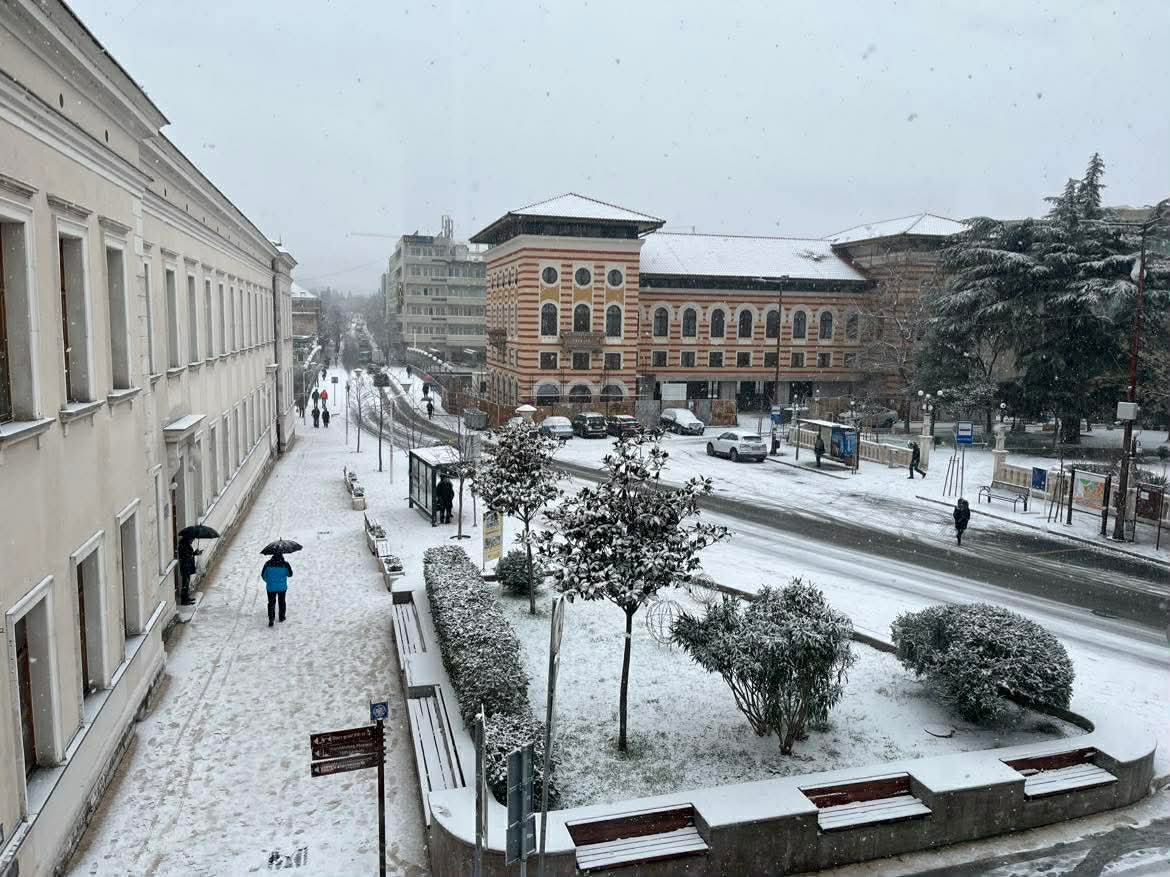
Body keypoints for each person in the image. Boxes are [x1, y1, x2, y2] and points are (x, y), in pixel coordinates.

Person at [261, 553, 293, 627]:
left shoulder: (268, 564)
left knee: (271, 603)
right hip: (282, 587)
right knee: (282, 602)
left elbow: (263, 575)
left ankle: (271, 619)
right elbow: (290, 574)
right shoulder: (285, 564)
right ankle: (281, 617)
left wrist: (268, 581)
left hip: (271, 587)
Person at [176, 535, 201, 606]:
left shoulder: (186, 545)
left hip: (188, 566)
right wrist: (192, 554)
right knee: (185, 584)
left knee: (187, 583)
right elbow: (185, 556)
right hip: (185, 567)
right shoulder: (183, 546)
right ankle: (184, 600)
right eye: (192, 539)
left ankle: (187, 598)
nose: (192, 541)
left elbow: (190, 554)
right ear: (188, 539)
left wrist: (195, 553)